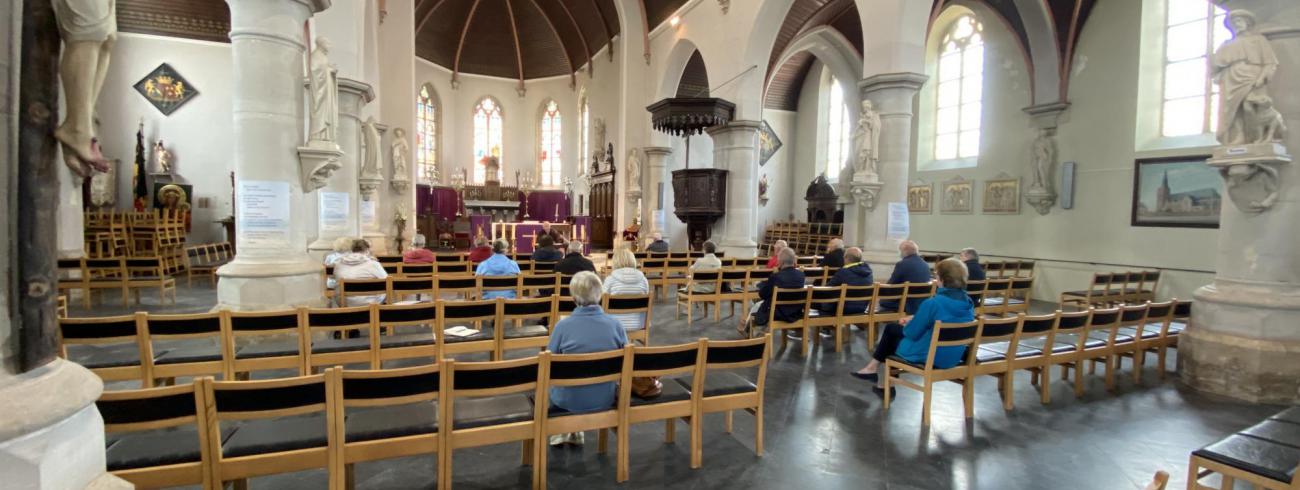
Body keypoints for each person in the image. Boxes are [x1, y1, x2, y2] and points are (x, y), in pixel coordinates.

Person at [852, 258, 976, 396]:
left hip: (929, 356)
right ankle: (880, 380)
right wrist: (915, 318)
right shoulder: (968, 302)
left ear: (942, 278)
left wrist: (908, 322)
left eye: (936, 275)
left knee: (892, 333)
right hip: (951, 356)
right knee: (894, 332)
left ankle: (881, 378)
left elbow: (912, 333)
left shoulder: (933, 303)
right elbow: (947, 320)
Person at [546, 271, 628, 446]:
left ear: (573, 297)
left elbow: (549, 364)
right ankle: (574, 430)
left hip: (568, 400)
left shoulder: (563, 326)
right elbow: (626, 360)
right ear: (600, 295)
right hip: (605, 397)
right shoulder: (615, 324)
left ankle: (563, 429)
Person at [743, 248, 806, 335]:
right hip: (794, 312)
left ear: (781, 262)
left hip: (777, 313)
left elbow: (762, 294)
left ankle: (750, 334)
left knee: (756, 306)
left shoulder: (776, 276)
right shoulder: (801, 275)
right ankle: (749, 329)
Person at [602, 248, 650, 331]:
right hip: (638, 324)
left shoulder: (610, 280)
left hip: (613, 326)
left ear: (615, 261)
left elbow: (602, 302)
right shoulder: (643, 280)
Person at [878, 240, 931, 314]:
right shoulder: (925, 265)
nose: (900, 253)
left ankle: (884, 325)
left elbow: (891, 285)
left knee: (881, 302)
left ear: (905, 250)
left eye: (900, 250)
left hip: (906, 305)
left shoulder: (902, 264)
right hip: (921, 304)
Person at [818, 247, 874, 314]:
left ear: (846, 258)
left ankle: (824, 323)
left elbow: (827, 289)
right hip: (861, 308)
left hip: (842, 309)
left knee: (814, 301)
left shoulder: (844, 272)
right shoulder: (869, 272)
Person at [334, 239, 388, 306]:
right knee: (387, 288)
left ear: (352, 250)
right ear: (367, 250)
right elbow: (387, 280)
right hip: (370, 304)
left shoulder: (339, 264)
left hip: (344, 302)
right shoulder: (373, 264)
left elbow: (335, 279)